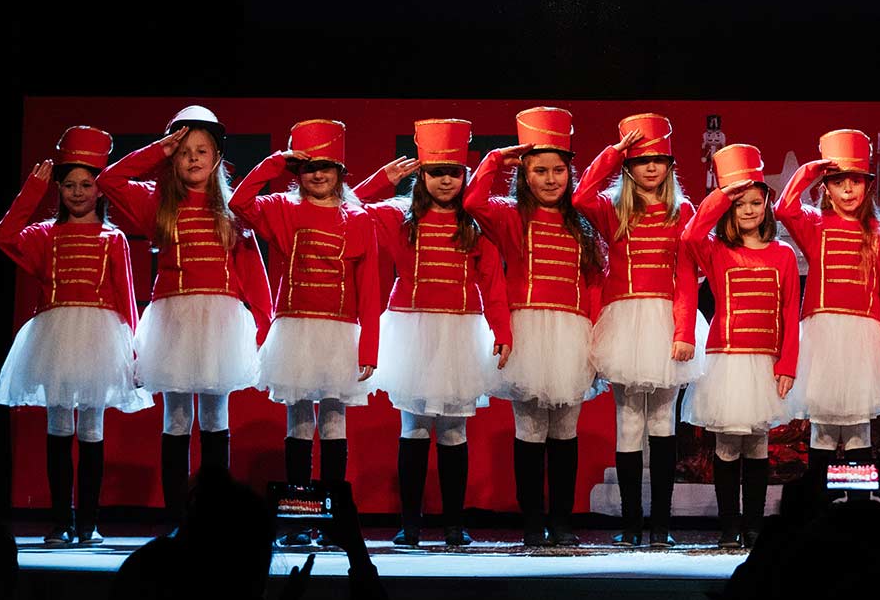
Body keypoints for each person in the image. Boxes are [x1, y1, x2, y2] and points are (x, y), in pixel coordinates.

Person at [98, 105, 273, 524]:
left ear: (217, 158)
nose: (192, 158)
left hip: (220, 321)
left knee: (215, 415)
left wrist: (266, 325)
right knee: (176, 418)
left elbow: (253, 271)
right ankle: (179, 518)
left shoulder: (233, 210)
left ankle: (214, 517)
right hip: (174, 320)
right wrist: (158, 149)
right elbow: (109, 180)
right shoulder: (157, 203)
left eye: (201, 150)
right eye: (183, 151)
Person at [355, 119, 512, 547]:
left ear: (464, 175)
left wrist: (501, 330)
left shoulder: (475, 223)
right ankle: (410, 524)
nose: (445, 181)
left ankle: (454, 524)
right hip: (414, 328)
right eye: (436, 172)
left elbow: (493, 282)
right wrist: (381, 180)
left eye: (454, 173)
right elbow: (349, 209)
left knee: (454, 430)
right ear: (422, 174)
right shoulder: (398, 216)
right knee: (415, 427)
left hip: (460, 328)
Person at [0, 126, 148, 543]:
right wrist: (32, 190)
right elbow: (4, 236)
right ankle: (61, 521)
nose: (77, 192)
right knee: (59, 428)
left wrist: (134, 355)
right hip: (57, 338)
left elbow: (126, 299)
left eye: (86, 184)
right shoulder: (44, 235)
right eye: (68, 185)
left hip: (100, 339)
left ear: (100, 189)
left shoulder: (113, 238)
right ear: (58, 189)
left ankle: (89, 524)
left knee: (92, 430)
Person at [230, 119, 380, 544]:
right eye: (309, 167)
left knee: (333, 421)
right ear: (298, 172)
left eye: (326, 166)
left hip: (339, 332)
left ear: (340, 172)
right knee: (298, 420)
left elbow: (370, 287)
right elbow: (240, 202)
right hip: (295, 329)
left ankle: (333, 522)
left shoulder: (358, 219)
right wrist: (276, 162)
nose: (318, 174)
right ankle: (297, 520)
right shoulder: (283, 207)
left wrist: (369, 346)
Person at [464, 107, 603, 547]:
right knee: (530, 430)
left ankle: (561, 522)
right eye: (539, 170)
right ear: (524, 175)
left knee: (565, 431)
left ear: (569, 173)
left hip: (573, 332)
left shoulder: (582, 223)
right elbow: (472, 203)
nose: (550, 179)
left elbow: (594, 284)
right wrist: (494, 160)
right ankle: (531, 523)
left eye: (558, 170)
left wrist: (595, 341)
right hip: (528, 329)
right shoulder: (510, 216)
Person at [574, 113, 705, 546]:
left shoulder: (682, 210)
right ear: (629, 167)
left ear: (670, 166)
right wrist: (613, 153)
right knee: (629, 422)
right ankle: (631, 526)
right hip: (624, 322)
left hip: (666, 321)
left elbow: (686, 276)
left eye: (659, 160)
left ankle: (662, 526)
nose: (651, 167)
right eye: (641, 161)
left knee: (663, 422)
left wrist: (684, 331)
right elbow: (580, 195)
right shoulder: (612, 208)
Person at [680, 144, 800, 547]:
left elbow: (790, 312)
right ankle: (729, 526)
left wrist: (788, 365)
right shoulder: (718, 251)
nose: (748, 209)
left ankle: (754, 525)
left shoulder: (783, 255)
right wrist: (721, 194)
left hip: (765, 361)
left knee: (758, 443)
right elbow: (691, 233)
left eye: (755, 202)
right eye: (740, 203)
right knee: (729, 442)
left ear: (767, 205)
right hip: (727, 360)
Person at [776, 129, 880, 498]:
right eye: (838, 182)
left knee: (859, 429)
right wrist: (810, 171)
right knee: (823, 428)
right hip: (824, 338)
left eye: (856, 181)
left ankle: (859, 507)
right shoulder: (816, 225)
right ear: (826, 188)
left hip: (864, 341)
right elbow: (784, 208)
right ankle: (822, 506)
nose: (848, 189)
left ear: (868, 186)